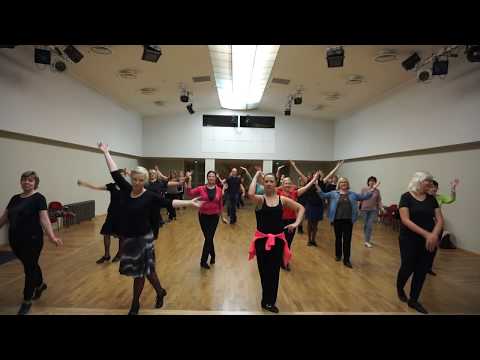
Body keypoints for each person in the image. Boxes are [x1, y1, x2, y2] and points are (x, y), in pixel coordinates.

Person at [98, 142, 202, 315]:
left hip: (144, 239)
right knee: (148, 272)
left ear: (145, 181)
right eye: (135, 180)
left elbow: (169, 202)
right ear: (132, 180)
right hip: (130, 239)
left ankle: (135, 304)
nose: (138, 183)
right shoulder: (127, 189)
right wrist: (106, 152)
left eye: (141, 180)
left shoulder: (150, 196)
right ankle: (160, 291)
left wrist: (190, 203)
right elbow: (115, 173)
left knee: (140, 273)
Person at [0, 171, 63, 315]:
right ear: (21, 182)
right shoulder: (15, 198)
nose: (26, 182)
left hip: (32, 240)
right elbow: (5, 217)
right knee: (31, 264)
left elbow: (44, 219)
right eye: (24, 180)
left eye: (30, 180)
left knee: (29, 269)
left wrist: (52, 237)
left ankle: (26, 300)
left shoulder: (39, 198)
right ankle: (40, 285)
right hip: (15, 240)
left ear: (35, 183)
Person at [247, 171, 305, 313]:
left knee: (274, 273)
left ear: (275, 184)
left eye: (271, 181)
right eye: (266, 181)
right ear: (263, 183)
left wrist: (296, 223)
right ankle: (265, 299)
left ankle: (269, 302)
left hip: (278, 241)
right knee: (264, 272)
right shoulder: (260, 199)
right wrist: (255, 176)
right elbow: (250, 194)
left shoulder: (282, 200)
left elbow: (300, 208)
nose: (268, 183)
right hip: (262, 241)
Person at [397, 171, 444, 314]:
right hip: (409, 239)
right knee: (407, 267)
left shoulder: (431, 199)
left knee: (422, 270)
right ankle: (400, 288)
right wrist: (427, 234)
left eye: (431, 181)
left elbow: (440, 219)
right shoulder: (406, 197)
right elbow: (405, 220)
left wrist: (434, 235)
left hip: (428, 240)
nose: (430, 184)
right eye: (427, 181)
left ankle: (414, 300)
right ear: (418, 181)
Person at [317, 177, 378, 268]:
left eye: (345, 182)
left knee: (347, 240)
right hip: (337, 220)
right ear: (339, 184)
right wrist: (316, 186)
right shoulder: (334, 193)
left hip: (348, 220)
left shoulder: (352, 194)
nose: (343, 184)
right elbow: (323, 195)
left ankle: (346, 259)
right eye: (341, 182)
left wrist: (372, 189)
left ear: (347, 184)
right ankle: (338, 255)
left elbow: (364, 197)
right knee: (338, 238)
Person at [290, 160, 344, 246]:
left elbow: (330, 174)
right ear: (313, 175)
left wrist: (338, 166)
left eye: (317, 174)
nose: (316, 175)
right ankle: (309, 240)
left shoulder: (322, 182)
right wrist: (294, 165)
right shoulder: (308, 182)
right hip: (310, 205)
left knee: (315, 225)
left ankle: (313, 240)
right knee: (309, 223)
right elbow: (300, 173)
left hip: (318, 206)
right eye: (315, 174)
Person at [276, 172, 320, 271]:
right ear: (283, 184)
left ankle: (284, 261)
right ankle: (278, 259)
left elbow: (307, 187)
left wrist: (314, 179)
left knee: (288, 242)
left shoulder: (294, 193)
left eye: (289, 183)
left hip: (291, 221)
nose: (287, 185)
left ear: (292, 184)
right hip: (279, 221)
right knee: (280, 242)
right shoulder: (278, 193)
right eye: (285, 183)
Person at [185, 170, 226, 269]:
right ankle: (213, 256)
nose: (211, 178)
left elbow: (220, 204)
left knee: (208, 238)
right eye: (209, 176)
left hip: (214, 217)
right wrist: (189, 180)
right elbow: (189, 193)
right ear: (207, 178)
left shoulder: (219, 190)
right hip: (203, 216)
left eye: (213, 176)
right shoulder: (201, 188)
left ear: (215, 178)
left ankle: (203, 261)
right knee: (208, 238)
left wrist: (222, 217)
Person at [77, 178, 124, 263]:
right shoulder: (111, 186)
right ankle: (107, 255)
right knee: (106, 233)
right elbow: (96, 187)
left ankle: (120, 254)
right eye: (116, 176)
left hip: (122, 215)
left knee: (122, 235)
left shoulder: (127, 187)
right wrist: (85, 184)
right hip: (111, 213)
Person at [426, 178, 459, 275]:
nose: (434, 189)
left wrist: (453, 189)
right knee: (423, 247)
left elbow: (451, 199)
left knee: (434, 248)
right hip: (426, 226)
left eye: (435, 187)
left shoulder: (439, 198)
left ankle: (429, 267)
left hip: (437, 226)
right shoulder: (423, 197)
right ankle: (421, 266)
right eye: (432, 187)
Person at [360, 176, 384, 248]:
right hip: (364, 209)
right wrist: (358, 208)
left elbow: (379, 200)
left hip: (373, 210)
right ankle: (367, 238)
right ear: (368, 182)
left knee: (369, 225)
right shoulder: (364, 189)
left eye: (373, 181)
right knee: (365, 225)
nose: (372, 182)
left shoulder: (377, 191)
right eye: (370, 181)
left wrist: (381, 207)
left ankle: (367, 241)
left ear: (375, 182)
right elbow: (360, 198)